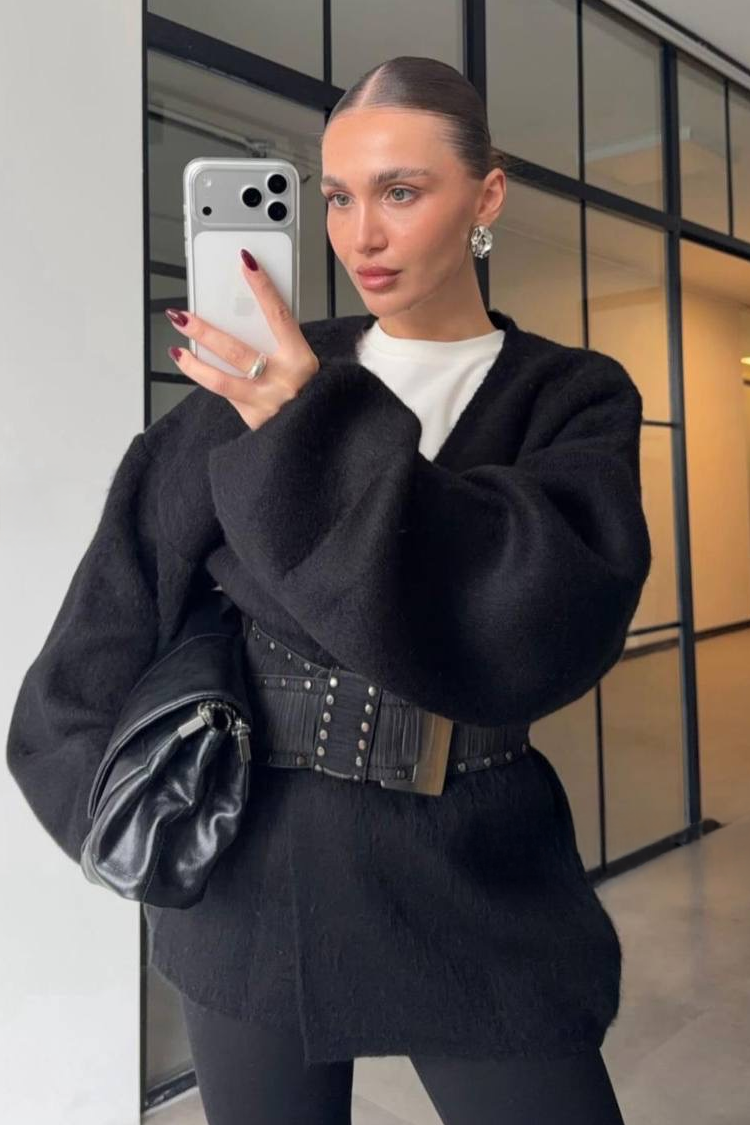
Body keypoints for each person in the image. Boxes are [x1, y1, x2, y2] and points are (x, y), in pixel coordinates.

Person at [7, 56, 651, 1124]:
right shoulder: (246, 384)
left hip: (474, 865)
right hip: (254, 877)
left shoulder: (569, 395)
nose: (362, 236)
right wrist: (121, 823)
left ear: (487, 195)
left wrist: (315, 425)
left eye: (401, 191)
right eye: (340, 197)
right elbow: (111, 611)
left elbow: (544, 614)